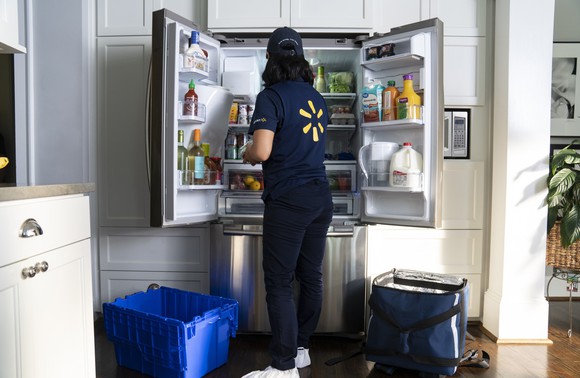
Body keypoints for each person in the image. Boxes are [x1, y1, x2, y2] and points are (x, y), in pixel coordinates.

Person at [241, 27, 333, 378]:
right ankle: (300, 350)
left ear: (268, 58)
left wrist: (250, 154)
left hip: (289, 200)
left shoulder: (271, 96)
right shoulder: (316, 97)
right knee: (310, 276)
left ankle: (282, 369)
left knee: (279, 282)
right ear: (301, 58)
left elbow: (263, 150)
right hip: (320, 197)